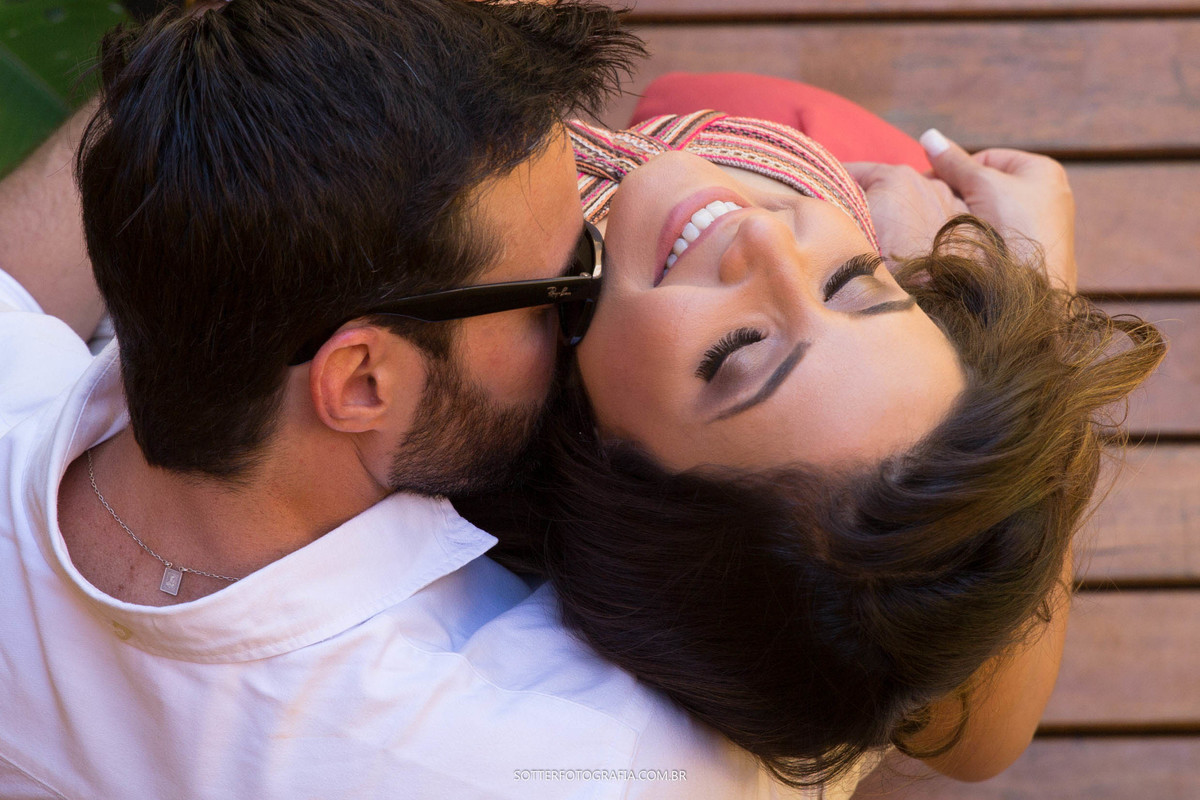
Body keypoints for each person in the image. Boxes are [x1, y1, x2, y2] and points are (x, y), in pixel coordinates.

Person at [0, 7, 817, 799]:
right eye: (561, 286)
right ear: (362, 382)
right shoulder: (565, 759)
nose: (591, 305)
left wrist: (229, 57)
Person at [457, 73, 1166, 793]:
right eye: (857, 281)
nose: (766, 235)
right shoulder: (812, 213)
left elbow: (983, 737)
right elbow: (984, 739)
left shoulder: (449, 303)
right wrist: (1025, 283)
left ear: (613, 488)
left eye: (734, 352)